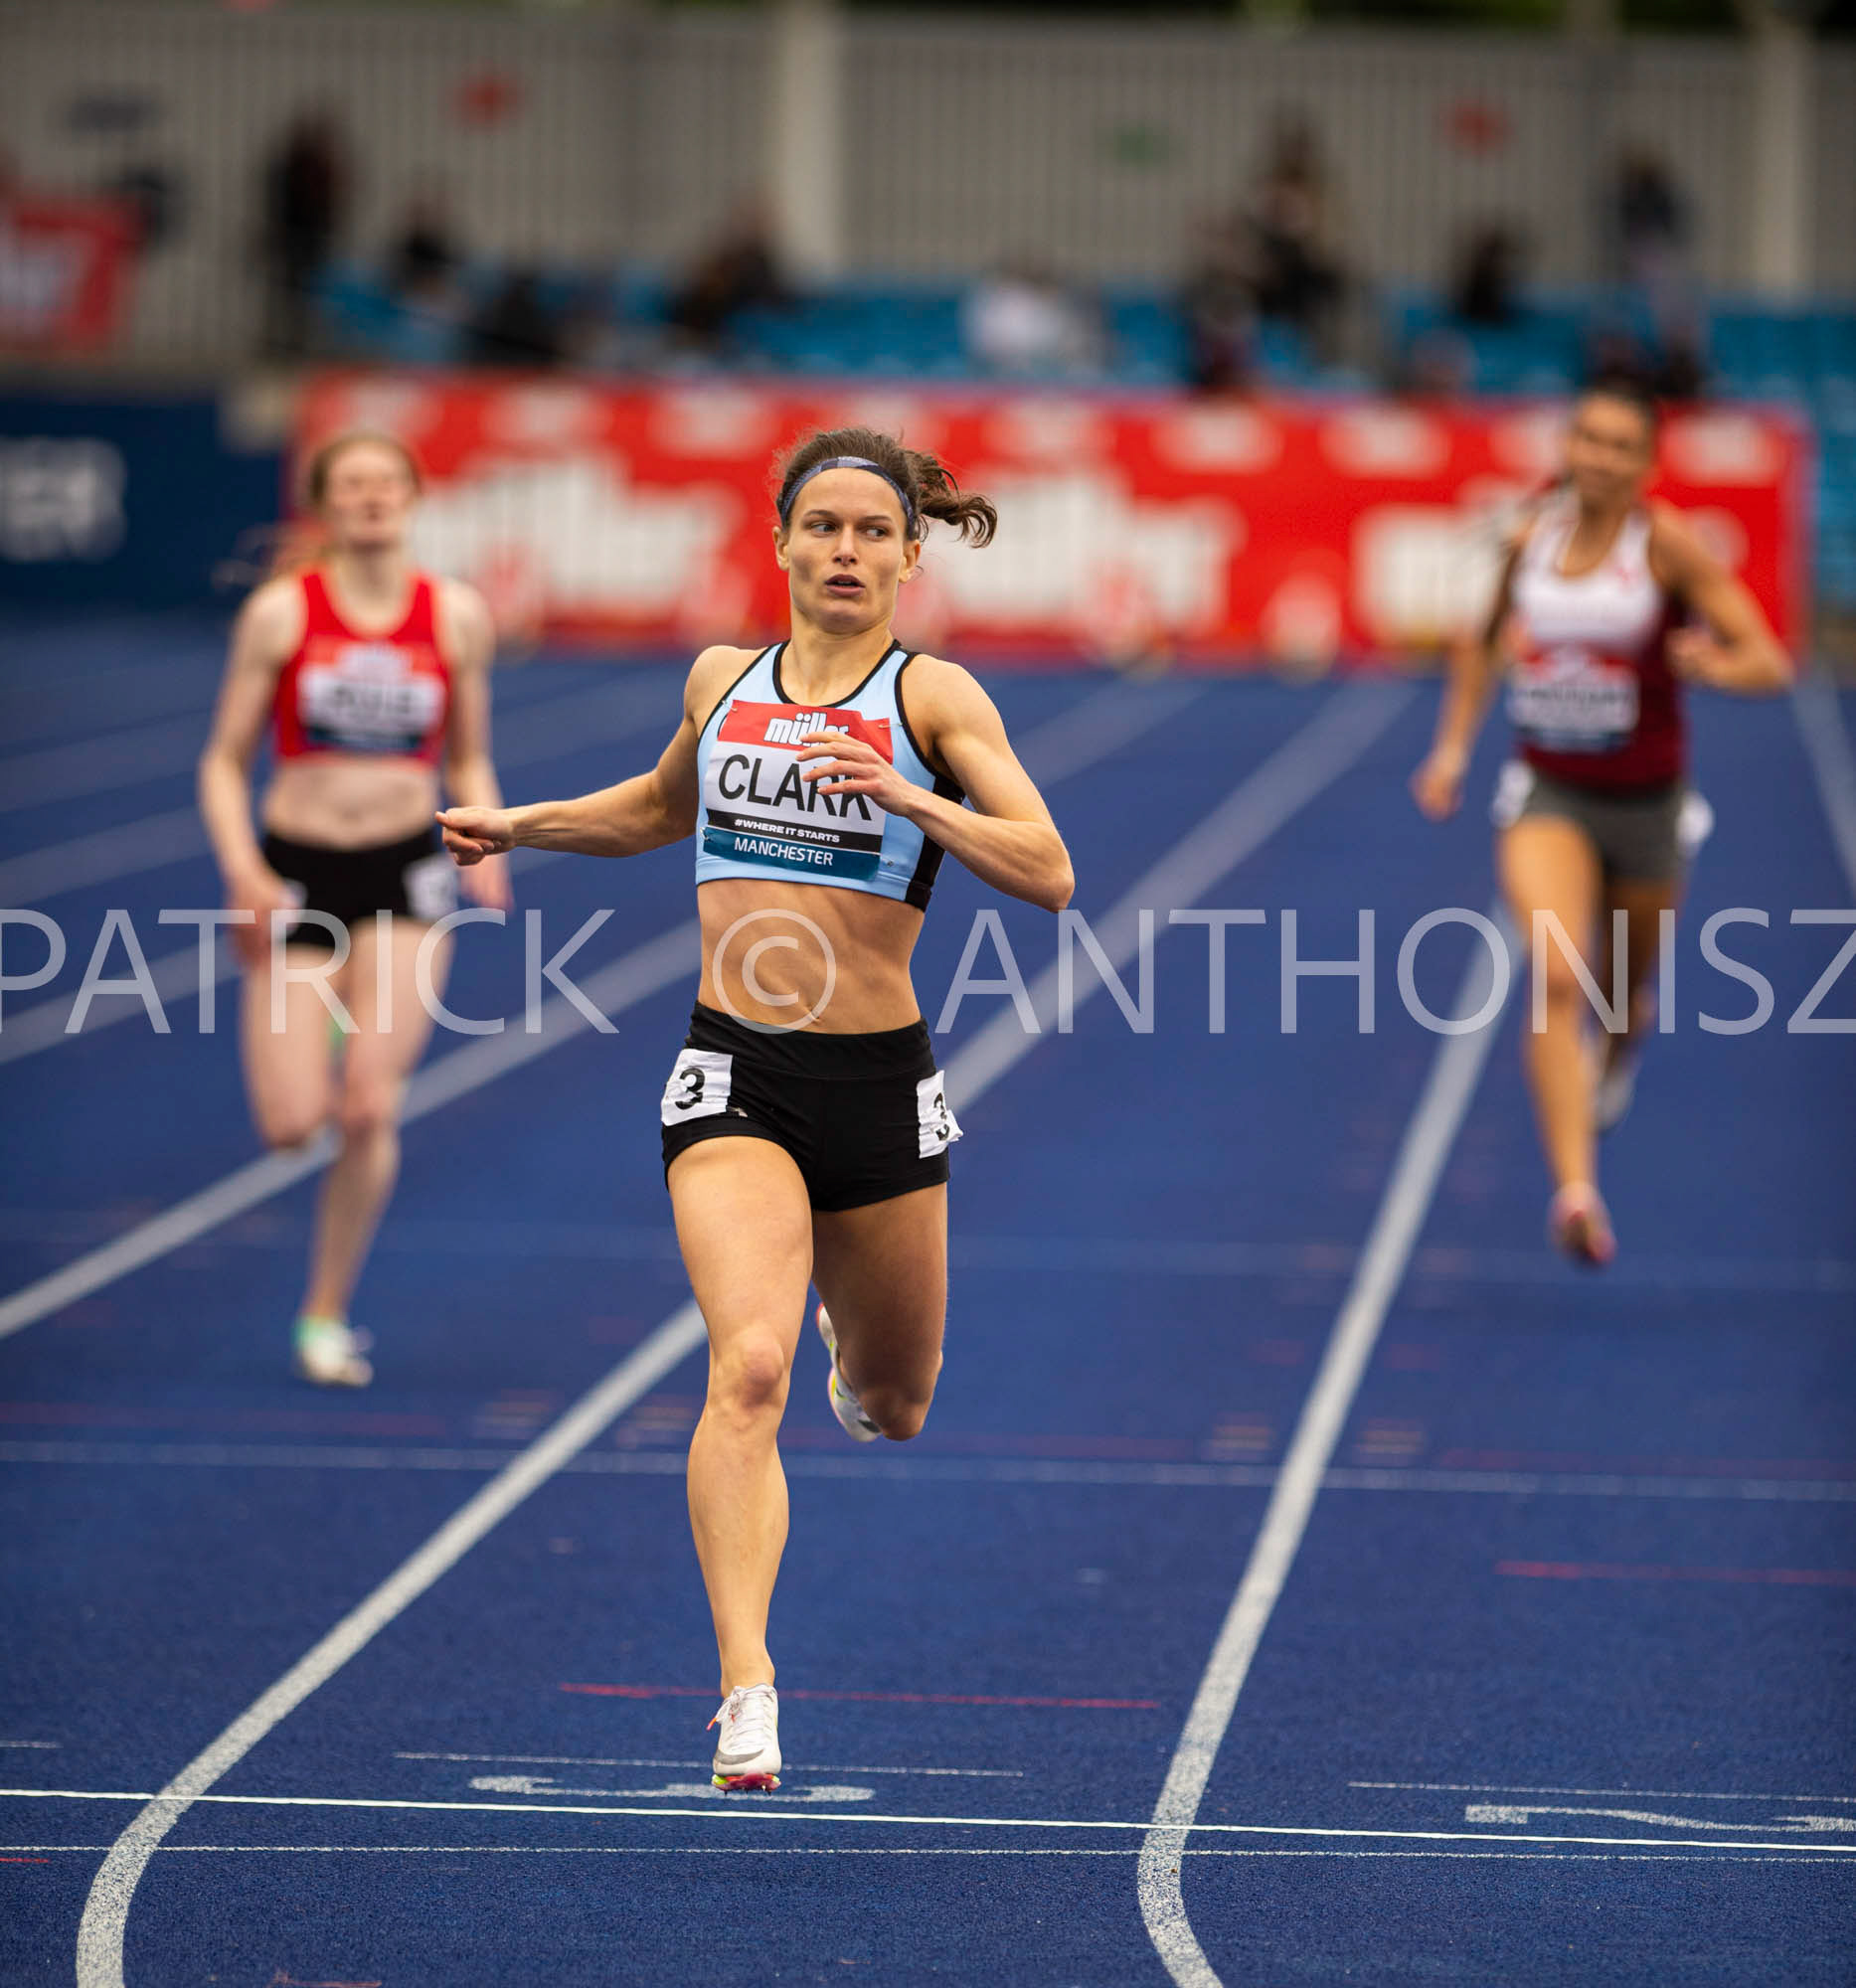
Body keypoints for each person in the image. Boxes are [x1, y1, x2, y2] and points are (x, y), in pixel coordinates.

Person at [436, 428, 1073, 1790]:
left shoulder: (937, 700)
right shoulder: (722, 679)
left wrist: (911, 795)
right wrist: (522, 822)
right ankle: (746, 1687)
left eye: (869, 530)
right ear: (779, 539)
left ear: (910, 553)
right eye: (820, 526)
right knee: (748, 1368)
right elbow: (659, 808)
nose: (843, 551)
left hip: (879, 1083)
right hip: (733, 1067)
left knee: (892, 1401)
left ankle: (857, 1350)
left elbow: (1051, 869)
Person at [1410, 379, 1791, 1265]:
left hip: (1648, 803)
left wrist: (1708, 663)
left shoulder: (1665, 549)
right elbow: (1483, 640)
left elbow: (1767, 659)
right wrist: (1453, 750)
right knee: (1555, 972)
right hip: (1548, 790)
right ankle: (1575, 1191)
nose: (1601, 458)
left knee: (1622, 996)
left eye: (1622, 446)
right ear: (1567, 446)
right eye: (1588, 438)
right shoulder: (1529, 541)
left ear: (1647, 464)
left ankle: (1613, 1063)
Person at [198, 431, 508, 1385]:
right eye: (351, 485)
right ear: (326, 504)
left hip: (406, 874)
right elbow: (221, 763)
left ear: (412, 497)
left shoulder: (453, 616)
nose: (371, 498)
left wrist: (487, 836)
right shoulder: (282, 613)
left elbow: (465, 755)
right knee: (292, 1125)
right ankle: (329, 1034)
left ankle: (324, 1314)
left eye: (386, 483)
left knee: (369, 1107)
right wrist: (245, 872)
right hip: (298, 873)